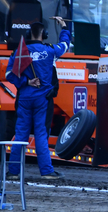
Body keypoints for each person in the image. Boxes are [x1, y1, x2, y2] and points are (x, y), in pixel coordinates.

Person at [5, 17, 71, 180]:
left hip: (24, 99)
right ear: (45, 34)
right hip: (42, 100)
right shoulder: (50, 51)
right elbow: (65, 45)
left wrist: (26, 81)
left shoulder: (20, 52)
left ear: (29, 33)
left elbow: (9, 75)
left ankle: (13, 172)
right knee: (41, 134)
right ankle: (46, 171)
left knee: (20, 135)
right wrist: (64, 27)